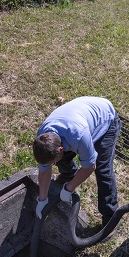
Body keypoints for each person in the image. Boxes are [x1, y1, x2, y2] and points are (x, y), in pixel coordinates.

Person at [33, 96, 121, 229]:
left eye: (52, 163)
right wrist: (42, 199)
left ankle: (111, 219)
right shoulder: (43, 138)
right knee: (59, 159)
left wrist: (69, 188)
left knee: (103, 170)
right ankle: (69, 174)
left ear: (61, 148)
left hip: (106, 119)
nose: (51, 165)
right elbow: (44, 170)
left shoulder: (79, 136)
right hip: (80, 115)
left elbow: (90, 166)